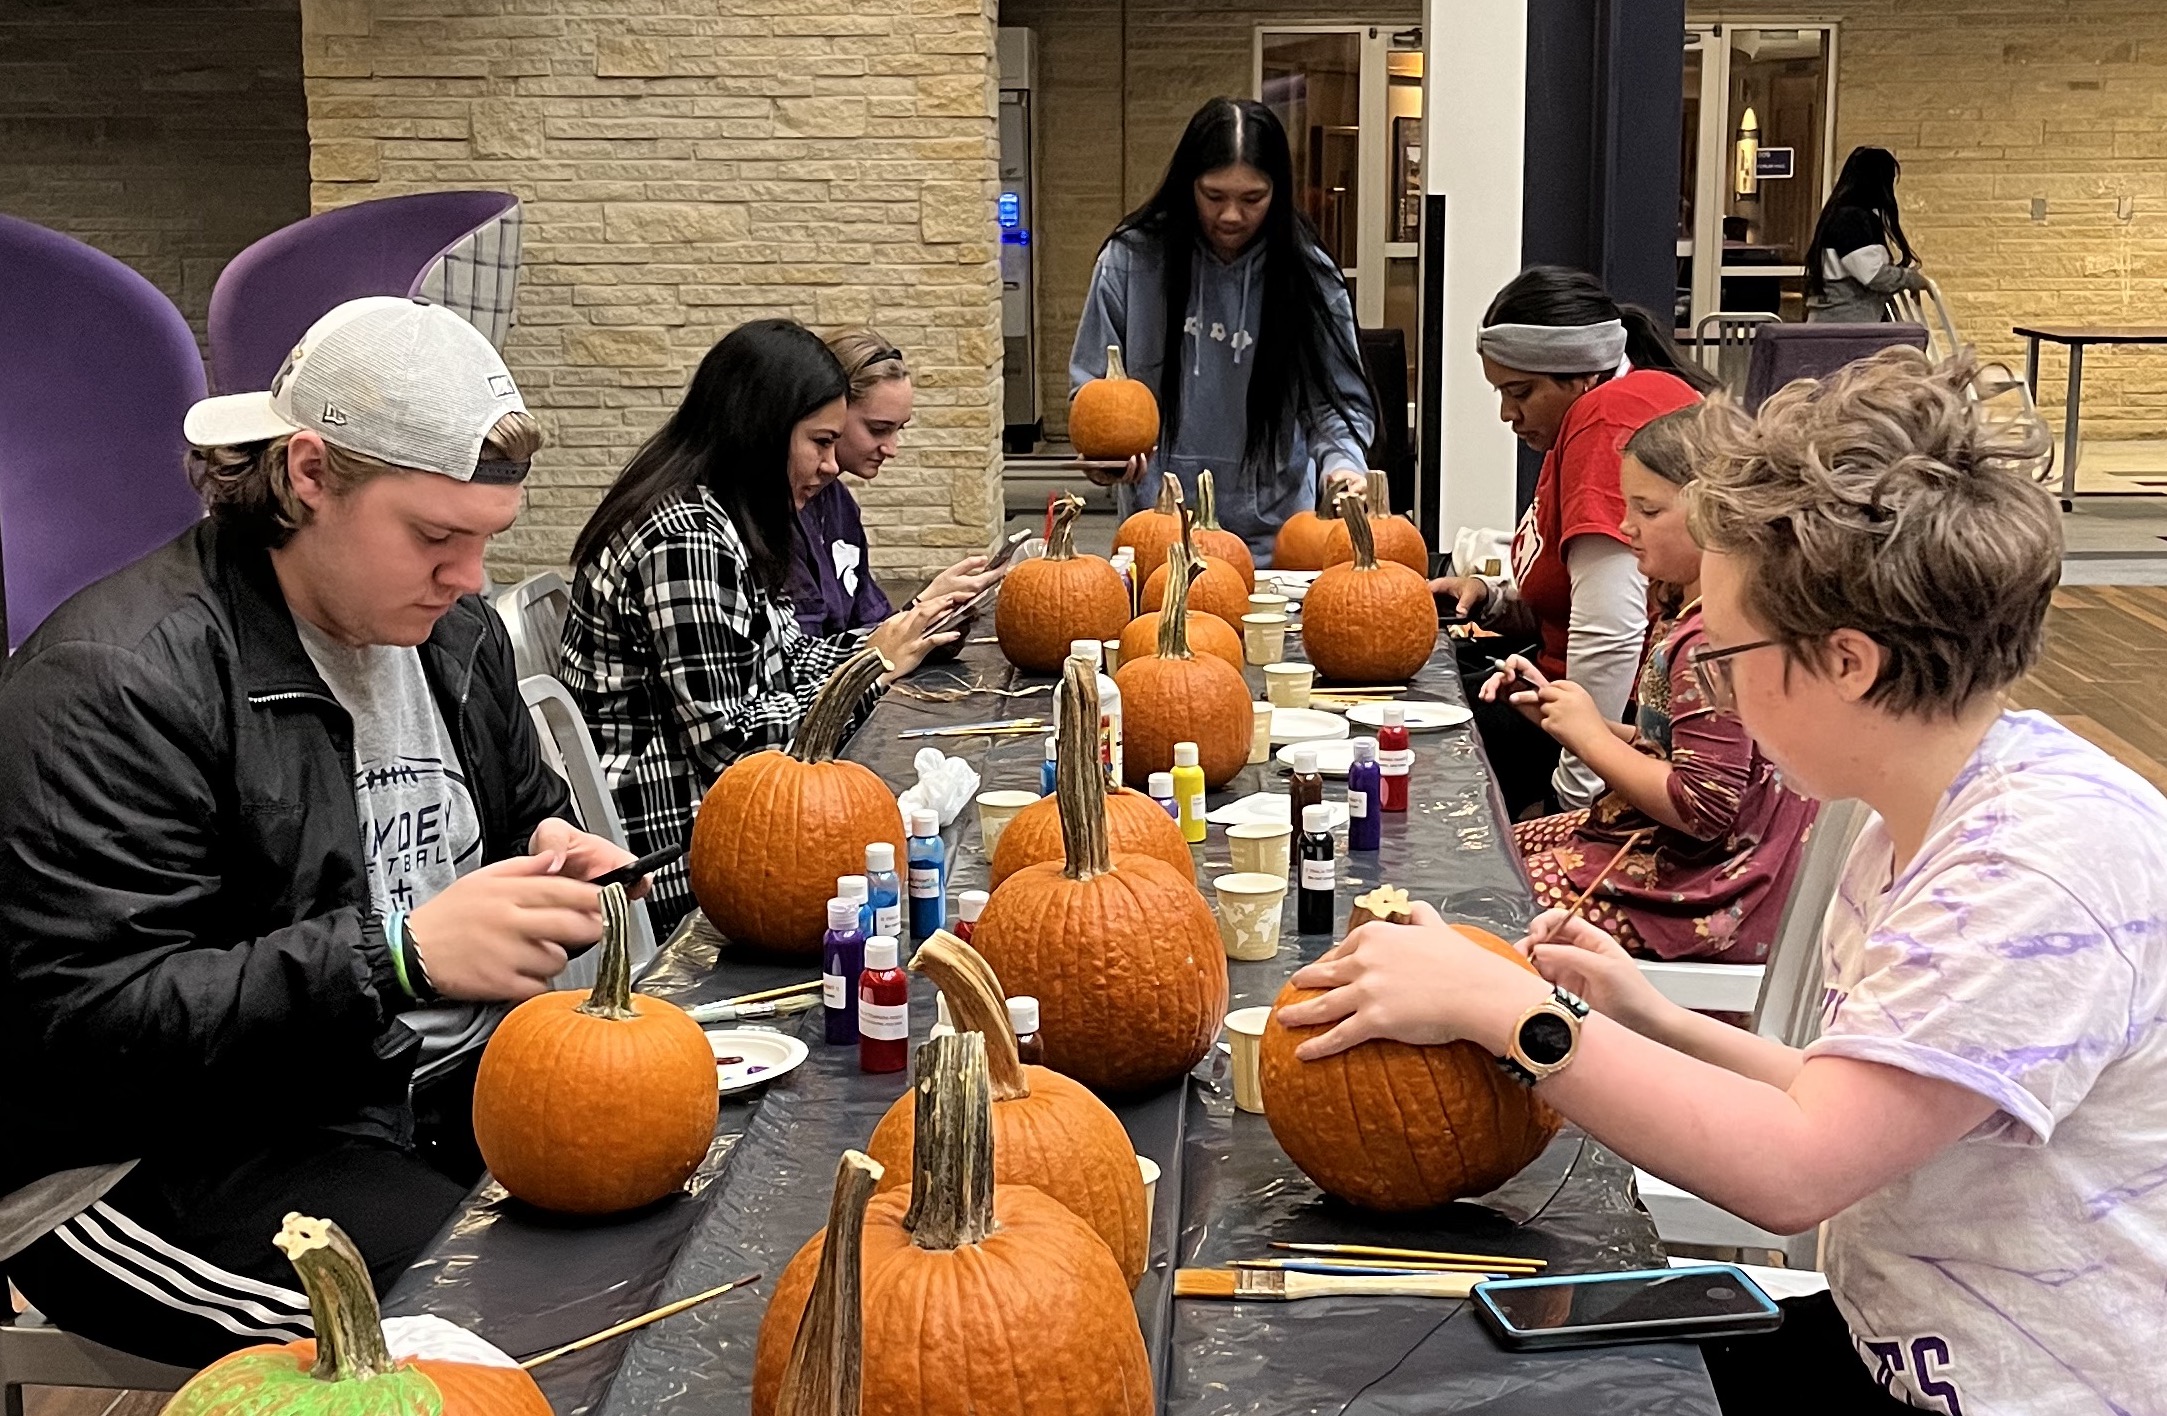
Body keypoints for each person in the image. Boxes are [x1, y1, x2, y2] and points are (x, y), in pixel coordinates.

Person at [1284, 349, 2166, 1413]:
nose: (1715, 686)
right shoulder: (1923, 813)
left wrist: (1508, 1011)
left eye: (1726, 654)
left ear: (1847, 662)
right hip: (1897, 1342)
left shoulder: (2032, 871)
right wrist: (1646, 1015)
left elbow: (1796, 1169)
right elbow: (1855, 1091)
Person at [0, 297, 641, 1368]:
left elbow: (521, 812)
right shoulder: (114, 682)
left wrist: (551, 848)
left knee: (658, 1225)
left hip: (391, 1092)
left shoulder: (455, 632)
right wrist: (399, 954)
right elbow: (96, 1026)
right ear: (307, 474)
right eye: (435, 536)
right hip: (140, 1163)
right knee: (524, 1340)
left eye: (486, 541)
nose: (468, 578)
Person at [560, 319, 966, 933]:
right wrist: (868, 673)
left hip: (728, 830)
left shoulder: (721, 516)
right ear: (761, 432)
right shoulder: (687, 539)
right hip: (680, 856)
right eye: (820, 442)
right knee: (914, 883)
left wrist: (886, 641)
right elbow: (735, 746)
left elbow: (782, 659)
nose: (833, 466)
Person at [1495, 405, 1817, 964]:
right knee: (1494, 847)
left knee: (1490, 892)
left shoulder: (1711, 640)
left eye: (1648, 509)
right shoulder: (1692, 612)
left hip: (1705, 890)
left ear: (1718, 514)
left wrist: (1590, 740)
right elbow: (1679, 747)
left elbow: (1705, 807)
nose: (1625, 527)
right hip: (1686, 859)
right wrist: (1573, 720)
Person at [1432, 266, 1716, 818]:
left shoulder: (1606, 421)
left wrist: (1576, 795)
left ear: (1582, 376)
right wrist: (1496, 601)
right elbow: (1579, 596)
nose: (1506, 414)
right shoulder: (1612, 406)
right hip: (1575, 705)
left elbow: (1612, 628)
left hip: (1619, 724)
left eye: (1521, 392)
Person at [1069, 95, 1376, 562]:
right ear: (1187, 185)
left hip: (1276, 547)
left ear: (1278, 192)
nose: (1231, 215)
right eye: (1214, 196)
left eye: (1252, 198)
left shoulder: (1309, 275)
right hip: (1161, 537)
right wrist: (1105, 462)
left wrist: (1344, 468)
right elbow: (1094, 396)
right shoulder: (1131, 262)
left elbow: (1335, 407)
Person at [785, 329, 1006, 638]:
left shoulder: (839, 506)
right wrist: (918, 610)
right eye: (878, 429)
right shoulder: (778, 514)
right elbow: (808, 656)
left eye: (898, 429)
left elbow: (870, 627)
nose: (892, 448)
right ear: (832, 408)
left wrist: (926, 612)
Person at [1805, 146, 1927, 323]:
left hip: (1833, 320)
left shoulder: (1838, 214)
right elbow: (1873, 274)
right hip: (1845, 323)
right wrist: (1909, 279)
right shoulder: (1852, 219)